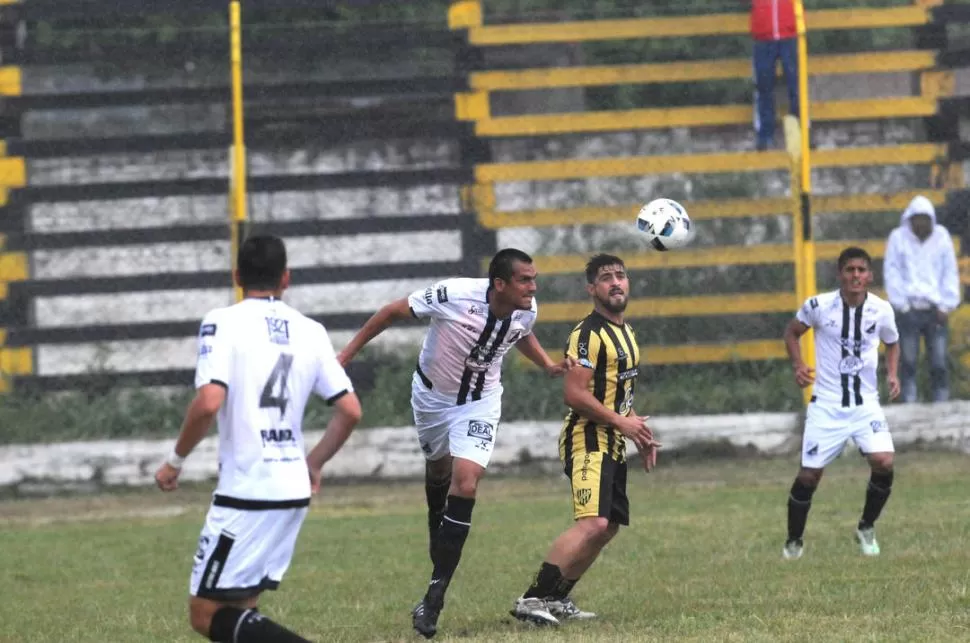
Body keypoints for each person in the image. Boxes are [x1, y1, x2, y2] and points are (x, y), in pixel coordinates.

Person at [337, 248, 572, 639]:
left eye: (533, 279)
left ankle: (435, 595)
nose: (533, 286)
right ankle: (437, 526)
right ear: (500, 284)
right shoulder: (454, 295)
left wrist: (546, 364)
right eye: (525, 280)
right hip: (431, 398)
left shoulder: (526, 308)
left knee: (466, 482)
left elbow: (521, 333)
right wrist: (346, 354)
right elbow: (392, 312)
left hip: (481, 402)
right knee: (439, 471)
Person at [154, 234, 363, 643]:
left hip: (247, 489)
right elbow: (350, 410)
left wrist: (175, 461)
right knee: (241, 606)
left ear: (237, 276)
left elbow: (209, 402)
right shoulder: (311, 330)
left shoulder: (223, 321)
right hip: (291, 487)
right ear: (286, 278)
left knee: (204, 613)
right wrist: (314, 462)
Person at [511, 254, 661, 627]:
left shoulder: (627, 333)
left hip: (613, 441)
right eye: (606, 277)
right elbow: (574, 394)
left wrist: (636, 430)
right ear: (591, 288)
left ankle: (557, 598)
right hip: (587, 438)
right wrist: (620, 423)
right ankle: (532, 599)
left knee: (607, 527)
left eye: (621, 276)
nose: (615, 282)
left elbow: (617, 395)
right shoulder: (587, 334)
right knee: (592, 523)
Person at [781, 246, 900, 560]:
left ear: (870, 275)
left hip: (866, 404)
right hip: (827, 405)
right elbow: (792, 333)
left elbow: (892, 342)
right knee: (809, 476)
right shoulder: (819, 306)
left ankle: (866, 527)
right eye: (850, 270)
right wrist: (797, 365)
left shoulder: (881, 310)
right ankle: (794, 542)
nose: (856, 276)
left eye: (861, 270)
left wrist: (892, 374)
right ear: (840, 274)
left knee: (885, 462)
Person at [883, 194, 961, 403]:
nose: (921, 223)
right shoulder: (898, 238)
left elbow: (949, 272)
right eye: (917, 218)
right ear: (910, 218)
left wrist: (947, 304)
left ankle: (941, 405)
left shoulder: (941, 238)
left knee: (939, 361)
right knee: (908, 361)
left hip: (936, 310)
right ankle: (909, 404)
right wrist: (902, 305)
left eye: (925, 218)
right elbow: (892, 272)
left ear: (931, 219)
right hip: (908, 310)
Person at [750, 0, 800, 151]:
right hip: (763, 35)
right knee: (763, 85)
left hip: (790, 33)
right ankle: (765, 135)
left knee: (796, 85)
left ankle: (800, 133)